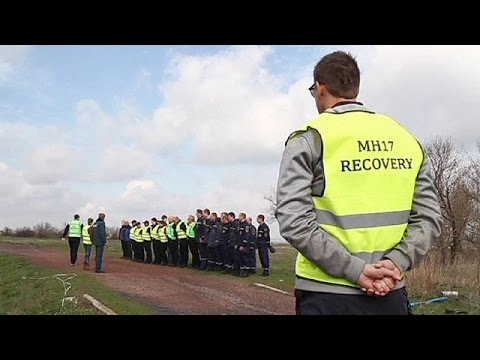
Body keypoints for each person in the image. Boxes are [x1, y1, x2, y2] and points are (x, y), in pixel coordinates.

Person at [275, 51, 442, 315]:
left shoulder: (309, 139)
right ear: (355, 87)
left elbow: (293, 219)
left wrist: (356, 270)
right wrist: (395, 263)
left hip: (326, 293)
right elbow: (429, 218)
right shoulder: (406, 139)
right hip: (391, 292)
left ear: (320, 88)